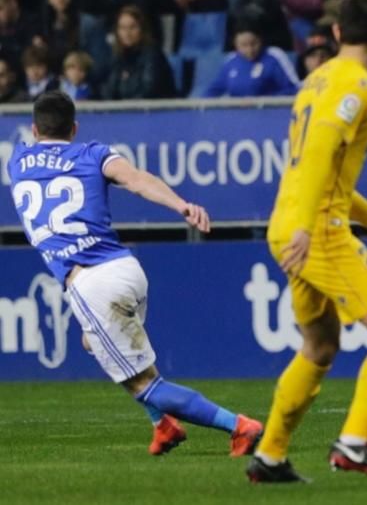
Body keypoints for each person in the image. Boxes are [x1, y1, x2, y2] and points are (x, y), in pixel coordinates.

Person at [7, 91, 263, 457]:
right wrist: (182, 205)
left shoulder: (17, 160)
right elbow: (137, 180)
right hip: (126, 269)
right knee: (92, 342)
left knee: (145, 382)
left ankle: (238, 426)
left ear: (33, 130)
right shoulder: (93, 153)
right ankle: (164, 426)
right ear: (74, 128)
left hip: (92, 283)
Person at [248, 0, 367, 484]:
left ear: (338, 33)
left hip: (288, 225)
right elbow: (324, 147)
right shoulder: (358, 83)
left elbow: (327, 177)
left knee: (320, 345)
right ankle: (354, 442)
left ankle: (270, 456)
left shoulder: (315, 80)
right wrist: (308, 226)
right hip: (315, 231)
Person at [203, 25, 300, 97]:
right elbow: (214, 90)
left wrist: (266, 101)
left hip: (270, 115)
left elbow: (294, 89)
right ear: (236, 45)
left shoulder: (274, 56)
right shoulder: (230, 61)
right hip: (239, 117)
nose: (250, 50)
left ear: (261, 40)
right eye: (244, 45)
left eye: (254, 43)